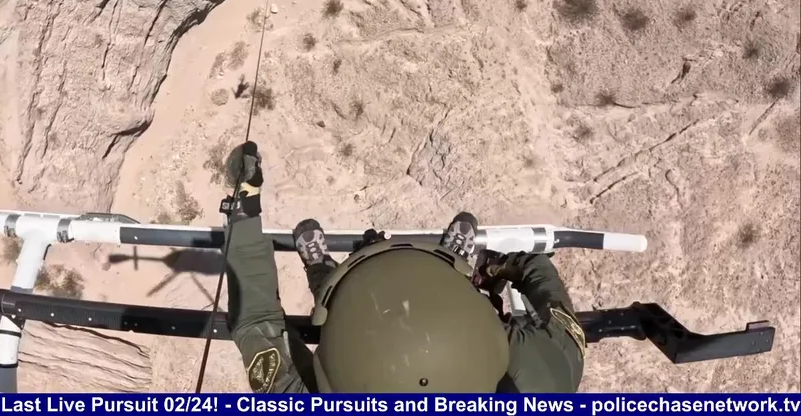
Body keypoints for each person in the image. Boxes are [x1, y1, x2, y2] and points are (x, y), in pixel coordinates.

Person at [222, 142, 586, 393]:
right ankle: (328, 277)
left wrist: (495, 269)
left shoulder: (553, 376)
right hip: (366, 295)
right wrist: (243, 211)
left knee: (340, 300)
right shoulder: (544, 380)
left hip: (418, 284)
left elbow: (540, 276)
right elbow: (256, 326)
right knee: (341, 305)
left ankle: (325, 273)